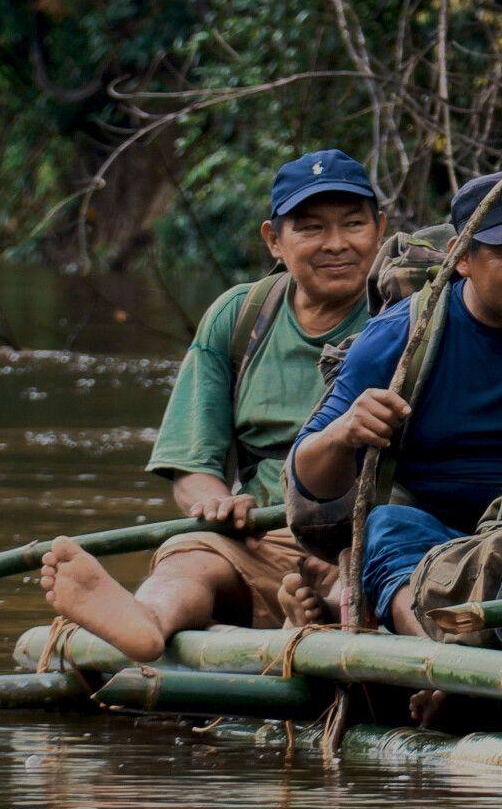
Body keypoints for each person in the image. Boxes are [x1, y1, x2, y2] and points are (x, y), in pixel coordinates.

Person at [39, 149, 386, 662]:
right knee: (188, 563)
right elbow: (192, 463)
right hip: (263, 533)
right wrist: (217, 503)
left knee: (365, 574)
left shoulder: (408, 313)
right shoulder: (239, 316)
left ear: (380, 229)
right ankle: (146, 622)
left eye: (353, 225)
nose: (336, 244)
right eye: (311, 228)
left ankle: (324, 610)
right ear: (274, 240)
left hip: (366, 530)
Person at [287, 170, 502, 641]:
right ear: (462, 257)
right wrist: (346, 431)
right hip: (429, 538)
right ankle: (439, 662)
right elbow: (307, 482)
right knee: (385, 529)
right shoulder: (399, 338)